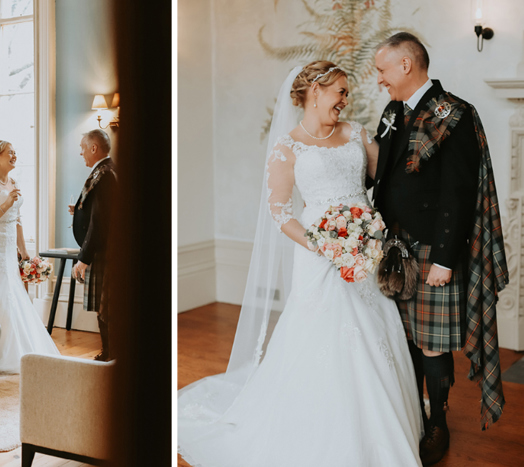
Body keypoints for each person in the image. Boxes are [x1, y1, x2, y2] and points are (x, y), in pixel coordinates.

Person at [178, 62, 423, 466]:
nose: (346, 100)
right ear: (314, 90)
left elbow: (388, 183)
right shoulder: (287, 147)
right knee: (324, 334)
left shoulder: (357, 134)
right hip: (317, 254)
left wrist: (368, 231)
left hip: (365, 248)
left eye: (347, 93)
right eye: (340, 91)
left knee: (374, 329)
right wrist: (322, 244)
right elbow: (279, 211)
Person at [372, 32, 508, 465]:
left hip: (434, 250)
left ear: (406, 66)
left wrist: (446, 260)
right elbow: (385, 176)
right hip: (395, 246)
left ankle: (438, 425)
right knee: (405, 340)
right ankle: (414, 414)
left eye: (382, 70)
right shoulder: (394, 111)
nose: (379, 80)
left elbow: (460, 192)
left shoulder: (456, 114)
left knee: (432, 343)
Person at [0, 140, 60, 374]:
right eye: (10, 153)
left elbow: (17, 219)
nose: (14, 156)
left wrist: (24, 252)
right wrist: (6, 204)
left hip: (8, 251)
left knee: (13, 293)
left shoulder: (13, 182)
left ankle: (19, 348)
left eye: (15, 152)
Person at [69, 129, 116, 361]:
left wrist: (83, 259)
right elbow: (98, 212)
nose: (81, 153)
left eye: (83, 148)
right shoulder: (109, 170)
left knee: (105, 305)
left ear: (94, 148)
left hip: (104, 251)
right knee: (105, 303)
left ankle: (109, 354)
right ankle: (109, 352)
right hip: (104, 248)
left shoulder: (104, 174)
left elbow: (100, 221)